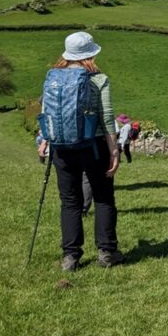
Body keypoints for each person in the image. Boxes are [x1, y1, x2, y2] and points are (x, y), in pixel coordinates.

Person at [36, 31, 123, 271]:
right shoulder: (98, 79)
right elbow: (106, 117)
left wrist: (44, 139)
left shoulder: (53, 78)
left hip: (61, 146)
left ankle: (70, 257)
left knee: (70, 201)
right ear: (90, 54)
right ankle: (107, 252)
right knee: (103, 197)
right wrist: (114, 150)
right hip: (93, 145)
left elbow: (46, 111)